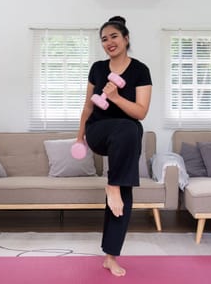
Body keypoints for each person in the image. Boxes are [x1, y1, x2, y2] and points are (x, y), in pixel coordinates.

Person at [75, 16, 152, 277]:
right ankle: (113, 184)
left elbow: (141, 112)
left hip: (126, 139)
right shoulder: (97, 68)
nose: (109, 42)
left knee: (123, 194)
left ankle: (111, 256)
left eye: (114, 37)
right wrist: (79, 137)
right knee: (129, 128)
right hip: (99, 132)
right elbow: (88, 105)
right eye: (104, 39)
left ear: (126, 38)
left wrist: (116, 97)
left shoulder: (140, 70)